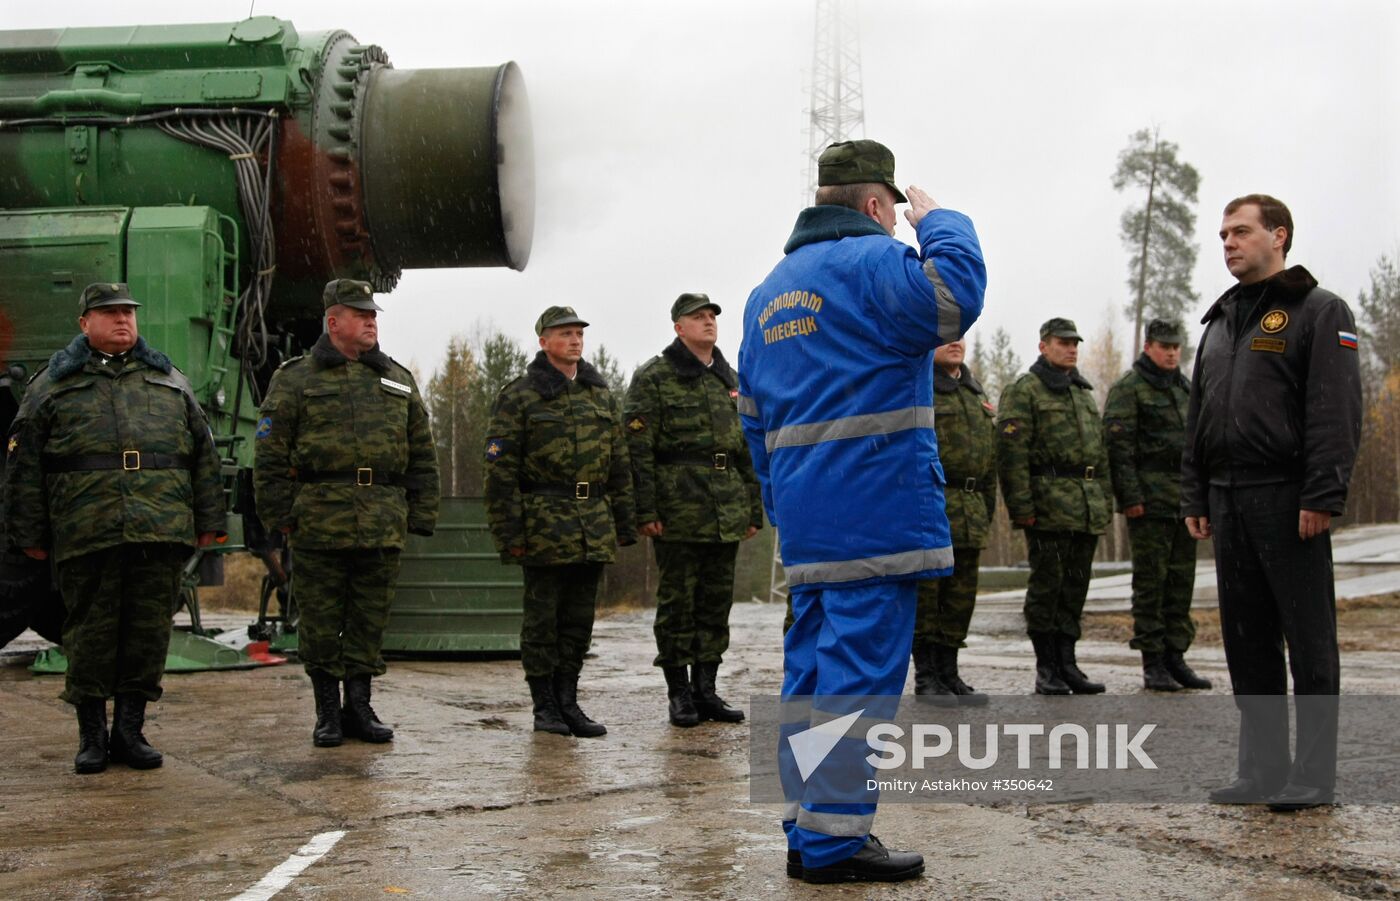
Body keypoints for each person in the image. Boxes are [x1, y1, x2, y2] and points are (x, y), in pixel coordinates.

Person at [739, 139, 985, 884]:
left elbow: (754, 420)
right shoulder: (875, 264)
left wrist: (785, 503)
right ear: (878, 206)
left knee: (812, 673)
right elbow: (955, 298)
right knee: (859, 680)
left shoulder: (767, 294)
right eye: (896, 212)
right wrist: (942, 221)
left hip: (811, 523)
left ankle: (805, 824)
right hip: (875, 508)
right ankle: (835, 842)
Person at [1182, 194, 1361, 811]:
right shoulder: (1221, 321)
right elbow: (1198, 415)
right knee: (1247, 642)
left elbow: (1335, 410)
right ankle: (1261, 771)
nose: (1227, 242)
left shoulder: (1317, 310)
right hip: (1228, 500)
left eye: (1240, 231)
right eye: (1222, 234)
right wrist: (1196, 491)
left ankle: (1313, 777)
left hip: (1289, 498)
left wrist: (1323, 492)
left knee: (1309, 643)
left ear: (1278, 236)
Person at [3, 283, 225, 774]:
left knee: (147, 635)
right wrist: (28, 537)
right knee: (90, 636)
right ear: (85, 324)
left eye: (128, 312)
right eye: (109, 313)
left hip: (159, 531)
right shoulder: (51, 385)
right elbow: (23, 468)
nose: (123, 320)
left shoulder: (170, 380)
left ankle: (130, 731)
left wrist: (210, 523)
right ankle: (91, 737)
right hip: (87, 531)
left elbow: (202, 456)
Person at [254, 279, 439, 749]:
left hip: (381, 519)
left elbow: (422, 452)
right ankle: (326, 713)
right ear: (333, 322)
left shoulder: (396, 378)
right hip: (319, 519)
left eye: (373, 313)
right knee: (319, 620)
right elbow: (270, 454)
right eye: (360, 314)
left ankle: (359, 706)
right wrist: (279, 519)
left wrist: (419, 515)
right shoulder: (295, 378)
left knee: (368, 620)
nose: (371, 320)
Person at [484, 306, 636, 739]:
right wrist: (509, 533)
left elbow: (619, 465)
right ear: (543, 341)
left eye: (578, 333)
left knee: (577, 622)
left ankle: (568, 700)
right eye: (564, 333)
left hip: (592, 524)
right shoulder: (520, 395)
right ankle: (544, 705)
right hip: (544, 526)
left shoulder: (599, 394)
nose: (574, 340)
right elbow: (500, 472)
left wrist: (625, 523)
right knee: (541, 620)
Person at [624, 293, 763, 728]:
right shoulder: (655, 377)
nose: (708, 323)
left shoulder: (732, 381)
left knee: (715, 603)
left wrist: (754, 508)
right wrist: (645, 508)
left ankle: (706, 689)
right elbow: (637, 450)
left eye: (711, 317)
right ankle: (678, 692)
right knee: (678, 603)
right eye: (697, 318)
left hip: (725, 507)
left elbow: (748, 449)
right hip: (678, 506)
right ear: (678, 327)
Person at [996, 318, 1111, 696]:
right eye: (1063, 343)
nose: (1071, 348)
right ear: (1043, 346)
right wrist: (1021, 506)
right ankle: (1046, 667)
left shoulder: (1082, 393)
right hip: (1047, 506)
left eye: (1075, 343)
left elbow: (1100, 455)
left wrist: (1104, 501)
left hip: (1085, 506)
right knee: (1047, 587)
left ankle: (1068, 663)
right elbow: (1012, 455)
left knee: (1075, 588)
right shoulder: (1025, 391)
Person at [1103, 319, 1212, 692]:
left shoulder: (1184, 388)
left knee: (1181, 582)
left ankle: (1175, 656)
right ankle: (1152, 661)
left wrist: (1201, 496)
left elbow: (1199, 445)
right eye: (1164, 346)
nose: (1171, 353)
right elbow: (1119, 450)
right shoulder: (1129, 390)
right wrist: (1130, 498)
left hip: (1183, 503)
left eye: (1176, 347)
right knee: (1152, 583)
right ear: (1148, 346)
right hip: (1148, 505)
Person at [911, 338, 994, 705]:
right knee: (929, 597)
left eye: (960, 335)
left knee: (961, 599)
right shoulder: (918, 385)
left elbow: (990, 461)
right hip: (932, 505)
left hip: (971, 509)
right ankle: (927, 677)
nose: (955, 342)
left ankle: (950, 672)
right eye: (946, 336)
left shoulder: (974, 393)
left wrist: (987, 508)